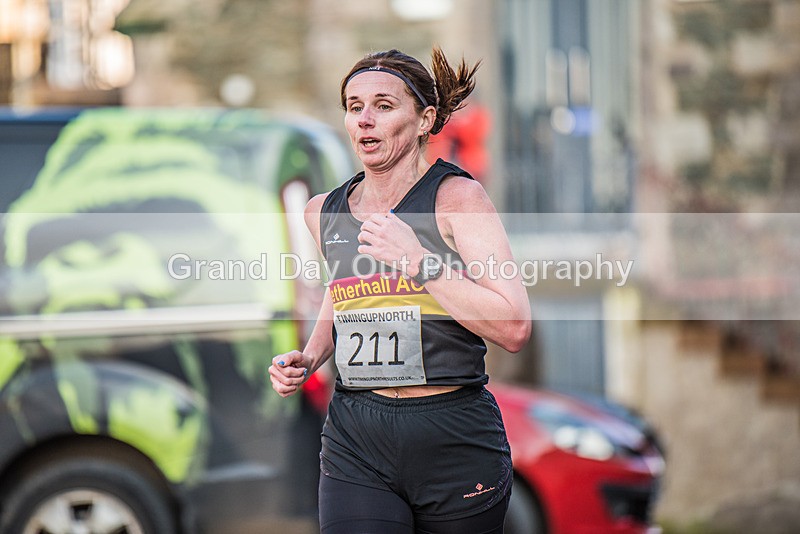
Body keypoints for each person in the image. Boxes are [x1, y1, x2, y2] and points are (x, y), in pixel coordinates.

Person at [268, 47, 531, 533]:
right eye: (354, 106)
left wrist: (420, 262)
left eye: (384, 106)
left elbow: (513, 324)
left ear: (425, 119)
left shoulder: (457, 199)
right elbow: (343, 290)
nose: (365, 120)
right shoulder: (323, 211)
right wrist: (310, 356)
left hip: (450, 435)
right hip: (356, 435)